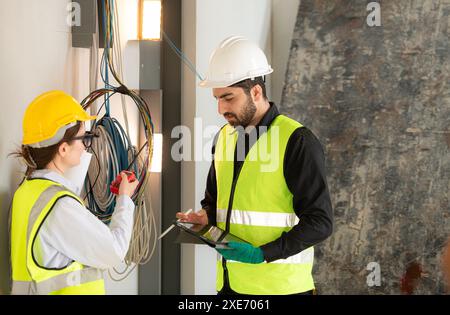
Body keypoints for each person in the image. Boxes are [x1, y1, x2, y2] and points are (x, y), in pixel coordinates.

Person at [177, 36, 333, 295]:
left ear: (256, 92)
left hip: (281, 289)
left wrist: (262, 254)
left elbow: (320, 222)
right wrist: (205, 217)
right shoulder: (224, 137)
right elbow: (215, 201)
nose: (220, 109)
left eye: (228, 98)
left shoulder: (296, 140)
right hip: (230, 286)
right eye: (217, 98)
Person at [10, 90, 139, 295]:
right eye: (83, 138)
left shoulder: (27, 191)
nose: (86, 146)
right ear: (63, 149)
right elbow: (114, 251)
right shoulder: (60, 205)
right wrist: (124, 199)